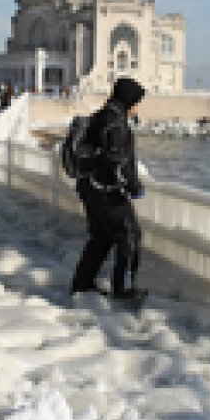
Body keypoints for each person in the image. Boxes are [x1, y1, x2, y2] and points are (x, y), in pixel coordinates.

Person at [70, 77, 146, 300]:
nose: (138, 106)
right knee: (130, 235)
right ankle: (123, 289)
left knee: (101, 237)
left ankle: (82, 285)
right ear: (129, 99)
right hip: (105, 190)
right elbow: (117, 161)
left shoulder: (103, 116)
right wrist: (133, 186)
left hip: (90, 186)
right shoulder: (115, 123)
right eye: (137, 101)